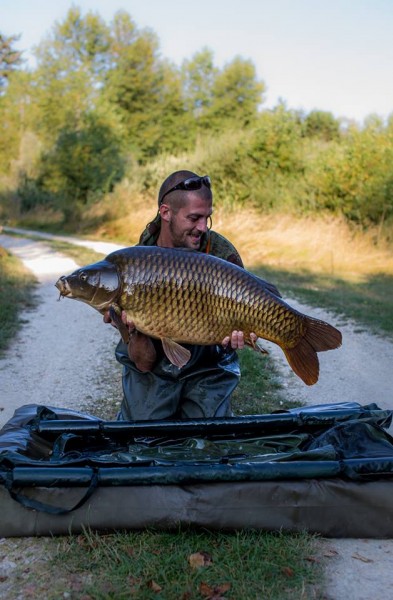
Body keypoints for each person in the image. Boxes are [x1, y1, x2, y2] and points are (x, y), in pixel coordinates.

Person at [106, 170, 254, 421]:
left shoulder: (221, 252)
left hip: (209, 360)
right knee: (145, 437)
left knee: (207, 441)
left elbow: (248, 308)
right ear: (166, 213)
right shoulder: (140, 258)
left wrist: (239, 334)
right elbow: (143, 362)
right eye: (194, 218)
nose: (202, 228)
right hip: (155, 357)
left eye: (207, 218)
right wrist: (132, 329)